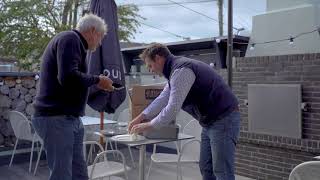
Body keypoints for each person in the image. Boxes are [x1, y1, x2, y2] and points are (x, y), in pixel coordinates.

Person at [128, 43, 240, 180]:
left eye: (150, 65)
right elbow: (162, 99)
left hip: (224, 119)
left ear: (158, 58)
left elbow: (172, 108)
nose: (150, 70)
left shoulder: (181, 70)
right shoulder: (174, 72)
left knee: (222, 171)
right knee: (206, 168)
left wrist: (148, 125)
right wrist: (140, 117)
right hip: (210, 121)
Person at [32, 13, 113, 180]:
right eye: (101, 37)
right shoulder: (70, 39)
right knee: (62, 175)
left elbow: (71, 82)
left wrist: (96, 84)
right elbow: (68, 77)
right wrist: (97, 79)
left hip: (69, 119)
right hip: (56, 118)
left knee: (79, 173)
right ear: (92, 31)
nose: (100, 42)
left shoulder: (73, 42)